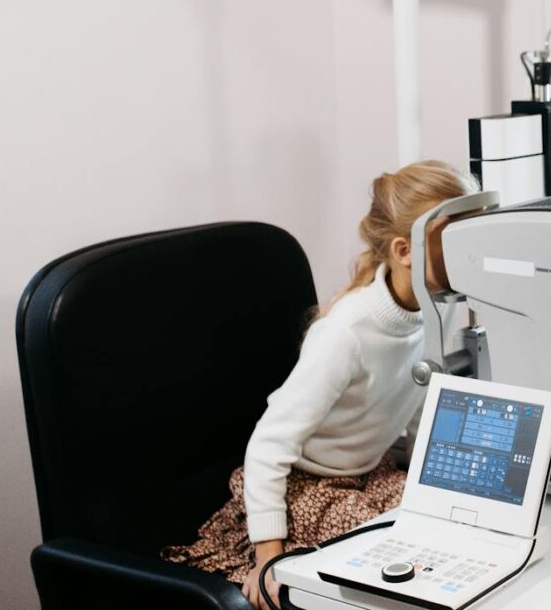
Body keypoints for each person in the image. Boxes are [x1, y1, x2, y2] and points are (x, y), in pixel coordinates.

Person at [161, 160, 478, 609]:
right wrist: (268, 558)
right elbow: (267, 446)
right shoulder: (345, 333)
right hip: (305, 483)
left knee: (451, 525)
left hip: (369, 472)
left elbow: (413, 406)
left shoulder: (436, 308)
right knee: (388, 556)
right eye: (455, 240)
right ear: (405, 251)